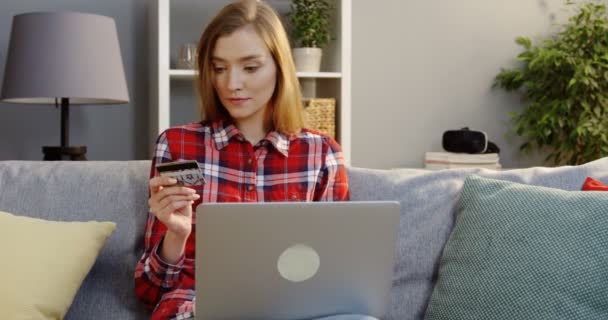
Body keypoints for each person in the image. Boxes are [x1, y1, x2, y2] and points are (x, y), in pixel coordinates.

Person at [134, 1, 374, 319]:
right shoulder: (178, 145)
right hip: (198, 308)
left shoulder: (320, 153)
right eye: (219, 68)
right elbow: (149, 291)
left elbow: (337, 279)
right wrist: (176, 236)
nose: (231, 83)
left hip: (293, 309)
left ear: (279, 67)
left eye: (250, 67)